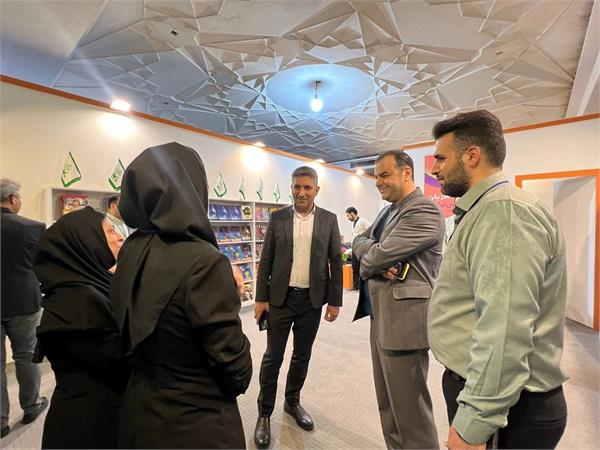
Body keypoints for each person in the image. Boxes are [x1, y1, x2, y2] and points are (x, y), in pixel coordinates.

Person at [428, 110, 568, 449]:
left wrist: (474, 423)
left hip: (510, 407)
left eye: (441, 158)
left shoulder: (503, 212)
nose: (434, 169)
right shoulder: (488, 208)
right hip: (495, 394)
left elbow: (504, 329)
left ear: (472, 156)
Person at [110, 142, 252, 449]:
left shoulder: (131, 249)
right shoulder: (205, 261)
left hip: (140, 412)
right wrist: (234, 295)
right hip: (196, 423)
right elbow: (234, 367)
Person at [352, 150, 443, 449]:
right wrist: (374, 257)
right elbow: (358, 241)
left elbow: (373, 256)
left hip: (405, 323)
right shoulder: (388, 211)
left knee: (411, 414)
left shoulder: (423, 210)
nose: (378, 181)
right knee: (388, 406)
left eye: (385, 175)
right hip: (380, 316)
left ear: (406, 173)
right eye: (376, 176)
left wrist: (371, 259)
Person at [253, 166, 343, 449]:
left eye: (307, 187)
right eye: (297, 187)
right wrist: (260, 298)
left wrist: (335, 300)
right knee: (273, 357)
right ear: (291, 188)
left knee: (302, 356)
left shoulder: (329, 219)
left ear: (316, 190)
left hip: (311, 301)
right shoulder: (278, 218)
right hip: (280, 299)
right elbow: (266, 259)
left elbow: (335, 261)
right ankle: (264, 413)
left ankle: (292, 402)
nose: (301, 193)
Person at [33, 207, 128, 449]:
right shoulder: (78, 301)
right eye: (110, 231)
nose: (119, 237)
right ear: (85, 240)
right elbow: (123, 360)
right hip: (90, 428)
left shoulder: (89, 284)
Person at [0, 177, 48, 438]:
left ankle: (0, 421)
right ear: (12, 199)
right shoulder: (33, 227)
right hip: (24, 301)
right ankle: (31, 406)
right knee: (27, 355)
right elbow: (43, 264)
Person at [345, 207, 371, 289]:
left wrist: (366, 243)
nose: (348, 218)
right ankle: (356, 286)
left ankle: (363, 286)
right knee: (355, 267)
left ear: (352, 213)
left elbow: (370, 230)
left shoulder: (363, 221)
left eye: (348, 215)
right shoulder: (353, 224)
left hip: (362, 247)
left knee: (362, 267)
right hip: (354, 248)